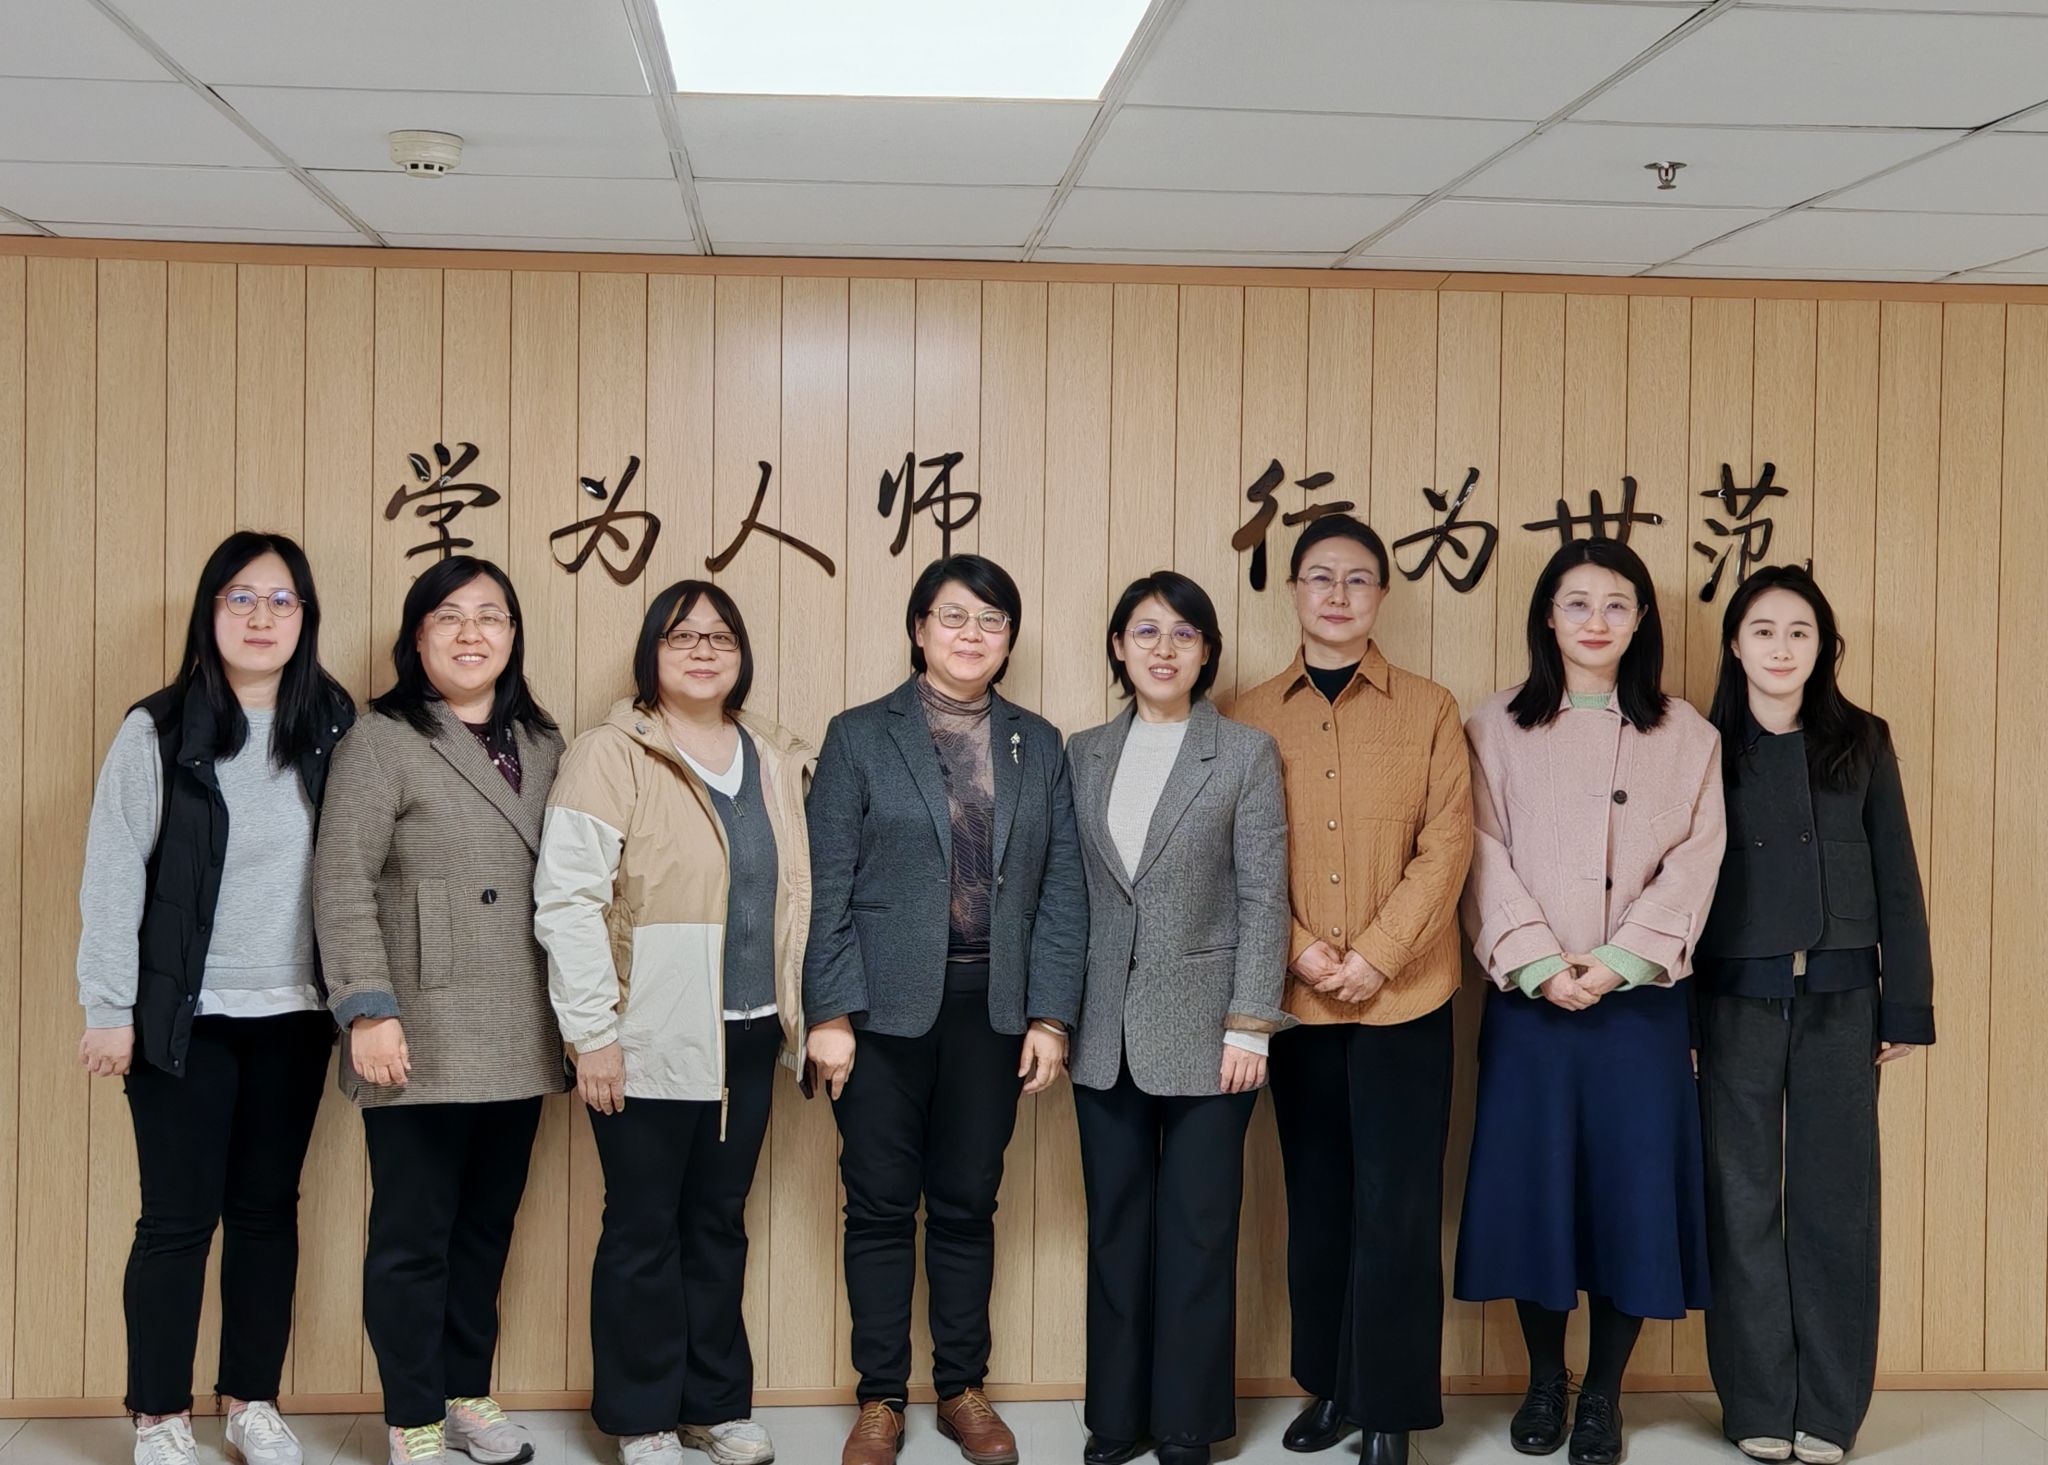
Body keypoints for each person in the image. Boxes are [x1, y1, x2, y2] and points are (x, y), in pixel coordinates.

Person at [803, 553, 1087, 1465]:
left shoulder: (1038, 742)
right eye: (954, 616)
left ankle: (963, 1386)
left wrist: (1051, 1015)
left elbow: (1062, 890)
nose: (973, 634)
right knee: (879, 1207)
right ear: (920, 628)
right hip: (877, 1015)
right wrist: (829, 1011)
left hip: (993, 1011)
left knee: (968, 1204)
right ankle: (881, 1397)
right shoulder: (859, 734)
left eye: (991, 620)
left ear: (1009, 640)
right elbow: (825, 884)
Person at [77, 532, 354, 1465]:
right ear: (210, 612)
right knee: (177, 1220)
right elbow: (114, 871)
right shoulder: (156, 729)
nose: (261, 616)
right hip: (182, 1019)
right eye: (241, 597)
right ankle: (159, 1415)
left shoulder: (332, 724)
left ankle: (250, 1400)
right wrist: (107, 1007)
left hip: (297, 1014)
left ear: (305, 617)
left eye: (281, 600)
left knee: (269, 1211)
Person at [1455, 538, 1724, 1465]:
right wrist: (1538, 962)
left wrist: (1615, 963)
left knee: (1628, 1198)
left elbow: (1697, 863)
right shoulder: (1494, 726)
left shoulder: (1688, 734)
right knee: (1538, 1194)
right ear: (1548, 616)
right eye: (1577, 603)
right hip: (1532, 1003)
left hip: (1640, 1007)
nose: (1597, 620)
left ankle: (1604, 1391)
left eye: (1617, 604)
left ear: (1642, 619)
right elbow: (1478, 851)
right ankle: (1545, 1378)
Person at [535, 580, 813, 1465]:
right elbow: (567, 901)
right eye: (683, 635)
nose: (703, 649)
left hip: (751, 1029)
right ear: (652, 651)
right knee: (643, 1225)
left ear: (742, 655)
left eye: (720, 636)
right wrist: (593, 1035)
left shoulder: (773, 754)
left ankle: (713, 1404)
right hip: (645, 1032)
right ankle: (642, 1415)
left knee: (719, 1221)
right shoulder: (610, 753)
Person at [315, 555, 567, 1465]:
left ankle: (467, 1392)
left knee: (486, 1230)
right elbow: (340, 881)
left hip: (521, 1021)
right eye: (449, 616)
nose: (471, 632)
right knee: (412, 1236)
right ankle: (413, 1414)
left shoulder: (545, 742)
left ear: (513, 635)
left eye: (491, 615)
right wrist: (366, 1008)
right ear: (416, 637)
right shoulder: (381, 738)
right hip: (415, 1026)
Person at [1232, 516, 1472, 1465]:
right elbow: (1237, 855)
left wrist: (1375, 954)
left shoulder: (1431, 708)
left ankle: (1391, 1409)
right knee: (1319, 1199)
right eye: (1320, 577)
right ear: (1293, 589)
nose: (1338, 594)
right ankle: (1331, 1385)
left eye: (1358, 578)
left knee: (1399, 1207)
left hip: (1405, 998)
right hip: (1295, 1005)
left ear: (1382, 594)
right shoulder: (1247, 714)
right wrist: (1298, 951)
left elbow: (1447, 844)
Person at [1697, 566, 1933, 1465]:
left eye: (1800, 631)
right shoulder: (1704, 744)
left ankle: (1830, 1410)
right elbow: (1677, 888)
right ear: (1736, 644)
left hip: (1843, 997)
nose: (1781, 647)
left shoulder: (1863, 741)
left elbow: (1898, 876)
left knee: (1839, 1198)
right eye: (1763, 630)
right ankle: (1758, 1398)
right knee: (1742, 1199)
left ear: (1824, 647)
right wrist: (1682, 1022)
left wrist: (1906, 1002)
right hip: (1732, 997)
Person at [1064, 571, 1289, 1465]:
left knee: (1198, 1231)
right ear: (1119, 646)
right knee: (1116, 1228)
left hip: (1210, 1031)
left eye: (1184, 633)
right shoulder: (1082, 751)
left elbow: (1265, 894)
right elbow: (1068, 894)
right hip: (1102, 1031)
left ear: (1207, 653)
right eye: (1146, 631)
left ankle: (1189, 1420)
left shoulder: (1243, 752)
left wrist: (1251, 1022)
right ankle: (1117, 1416)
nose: (1164, 648)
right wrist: (1055, 1017)